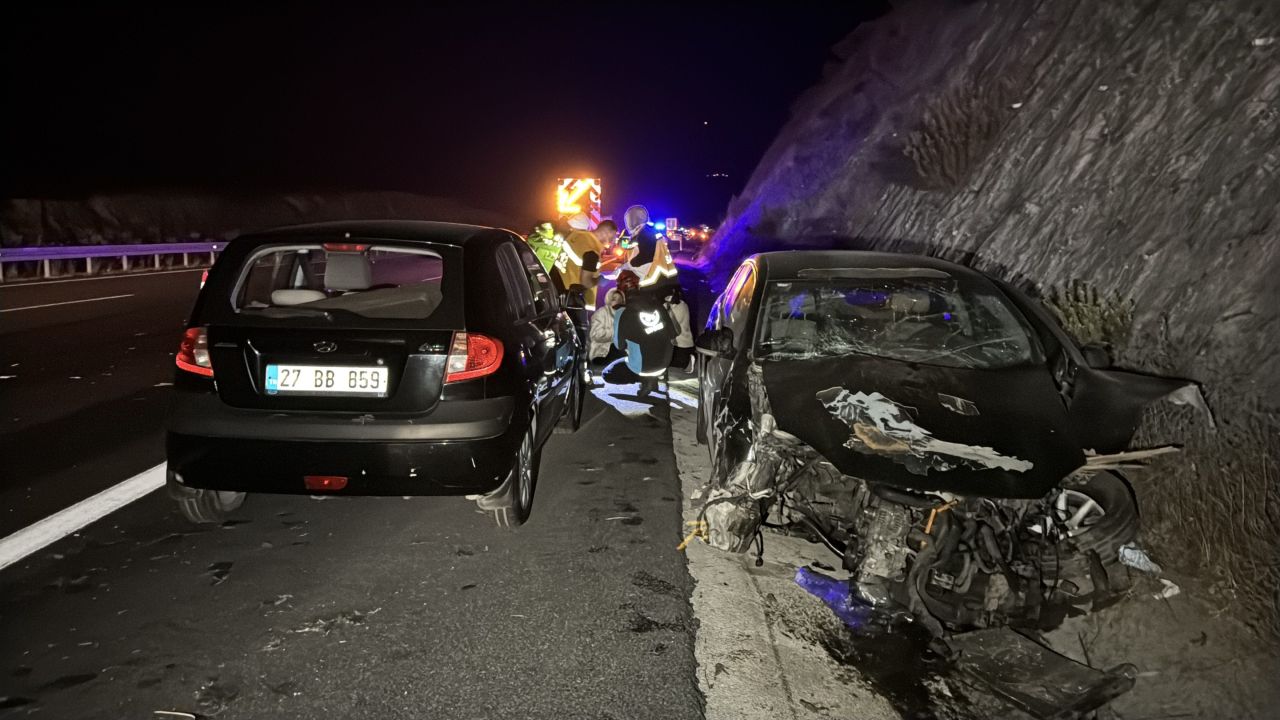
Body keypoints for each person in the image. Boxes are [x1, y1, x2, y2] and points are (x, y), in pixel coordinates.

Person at [613, 269, 677, 398]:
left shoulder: (621, 313)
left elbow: (619, 345)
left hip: (642, 367)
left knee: (608, 373)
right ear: (639, 285)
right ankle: (652, 380)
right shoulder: (657, 304)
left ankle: (644, 381)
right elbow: (672, 333)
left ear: (621, 291)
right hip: (665, 362)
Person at [552, 215, 617, 312]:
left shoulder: (576, 236)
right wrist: (599, 280)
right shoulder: (592, 251)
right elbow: (586, 282)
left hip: (554, 290)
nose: (612, 241)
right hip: (571, 301)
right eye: (612, 237)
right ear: (606, 233)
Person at [621, 204, 678, 292]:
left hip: (651, 282)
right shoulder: (650, 232)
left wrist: (630, 265)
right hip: (664, 278)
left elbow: (646, 256)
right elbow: (625, 246)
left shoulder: (645, 233)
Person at [588, 286, 625, 363]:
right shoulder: (601, 313)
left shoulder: (625, 314)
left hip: (620, 353)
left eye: (620, 300)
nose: (618, 302)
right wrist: (616, 333)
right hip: (601, 354)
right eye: (615, 299)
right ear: (609, 300)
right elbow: (595, 334)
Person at [665, 286, 695, 373]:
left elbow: (674, 326)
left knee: (674, 362)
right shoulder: (666, 305)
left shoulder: (682, 306)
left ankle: (688, 360)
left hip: (682, 344)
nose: (669, 299)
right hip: (673, 343)